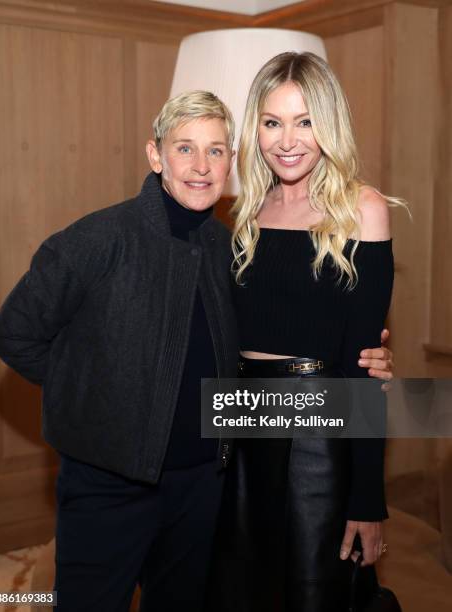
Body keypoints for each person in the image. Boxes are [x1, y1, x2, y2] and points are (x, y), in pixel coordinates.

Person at [0, 90, 392, 612]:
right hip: (109, 485)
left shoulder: (230, 247)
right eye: (185, 149)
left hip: (207, 484)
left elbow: (279, 340)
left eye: (217, 151)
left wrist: (363, 367)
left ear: (232, 162)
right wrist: (98, 399)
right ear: (155, 155)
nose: (201, 167)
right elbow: (12, 333)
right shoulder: (97, 238)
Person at [207, 52, 403, 612]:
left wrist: (368, 498)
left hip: (316, 431)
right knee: (238, 589)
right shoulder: (244, 211)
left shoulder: (361, 210)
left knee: (310, 593)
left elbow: (365, 366)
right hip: (239, 422)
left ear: (329, 125)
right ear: (256, 128)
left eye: (305, 121)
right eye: (272, 122)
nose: (286, 139)